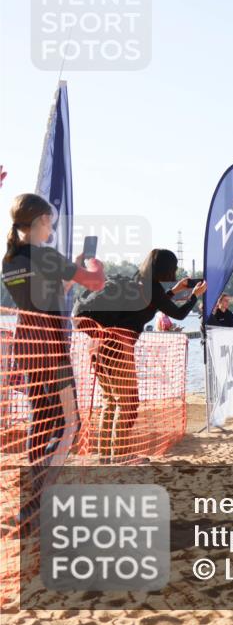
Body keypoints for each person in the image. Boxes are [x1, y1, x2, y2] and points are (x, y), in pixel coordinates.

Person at [2, 193, 106, 532]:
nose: (53, 226)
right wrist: (91, 266)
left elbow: (51, 292)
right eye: (49, 221)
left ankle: (34, 500)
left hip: (27, 346)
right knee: (69, 425)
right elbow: (96, 283)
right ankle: (39, 503)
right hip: (51, 350)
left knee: (41, 423)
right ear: (38, 223)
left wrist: (70, 269)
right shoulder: (46, 256)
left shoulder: (10, 260)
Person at [94, 249, 206, 464]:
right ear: (165, 268)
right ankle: (120, 455)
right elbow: (179, 314)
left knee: (110, 401)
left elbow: (150, 307)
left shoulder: (138, 282)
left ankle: (104, 455)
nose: (174, 271)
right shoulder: (152, 290)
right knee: (128, 403)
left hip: (99, 345)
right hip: (119, 348)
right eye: (172, 267)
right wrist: (194, 296)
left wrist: (174, 291)